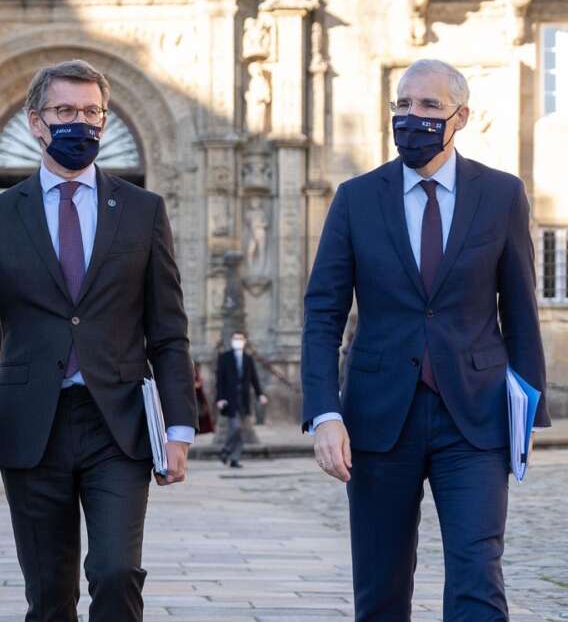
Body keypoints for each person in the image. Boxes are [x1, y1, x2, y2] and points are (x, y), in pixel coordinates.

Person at [0, 59, 197, 622]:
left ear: (105, 120)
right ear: (36, 122)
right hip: (33, 424)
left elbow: (168, 329)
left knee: (116, 572)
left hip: (119, 424)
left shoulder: (142, 210)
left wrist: (179, 427)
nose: (79, 122)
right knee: (50, 595)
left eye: (91, 112)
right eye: (64, 112)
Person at [302, 59, 550, 621]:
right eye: (402, 105)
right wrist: (324, 413)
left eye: (429, 107)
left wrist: (527, 412)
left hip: (476, 417)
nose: (412, 117)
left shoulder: (502, 195)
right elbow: (323, 313)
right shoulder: (356, 198)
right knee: (382, 585)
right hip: (378, 419)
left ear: (460, 117)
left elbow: (520, 308)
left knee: (477, 575)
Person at [215, 332, 267, 467]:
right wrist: (220, 398)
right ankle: (226, 450)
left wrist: (259, 394)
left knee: (241, 429)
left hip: (243, 398)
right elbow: (220, 380)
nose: (238, 341)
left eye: (240, 339)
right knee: (236, 427)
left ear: (244, 341)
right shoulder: (224, 357)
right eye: (235, 338)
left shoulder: (248, 358)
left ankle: (234, 458)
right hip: (229, 399)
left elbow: (254, 379)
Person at [194, 362, 215, 434]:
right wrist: (197, 384)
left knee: (202, 413)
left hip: (199, 395)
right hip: (194, 395)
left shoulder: (195, 370)